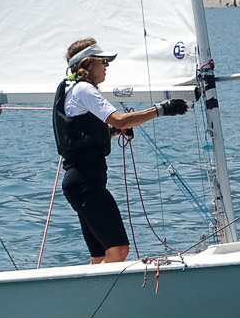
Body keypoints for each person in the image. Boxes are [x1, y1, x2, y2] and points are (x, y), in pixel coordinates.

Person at [53, 38, 194, 265]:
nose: (107, 65)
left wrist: (113, 132)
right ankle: (104, 288)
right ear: (88, 64)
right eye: (103, 61)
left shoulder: (72, 90)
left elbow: (86, 137)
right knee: (118, 249)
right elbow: (120, 119)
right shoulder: (85, 89)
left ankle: (95, 287)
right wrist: (162, 109)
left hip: (78, 182)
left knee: (100, 256)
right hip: (87, 182)